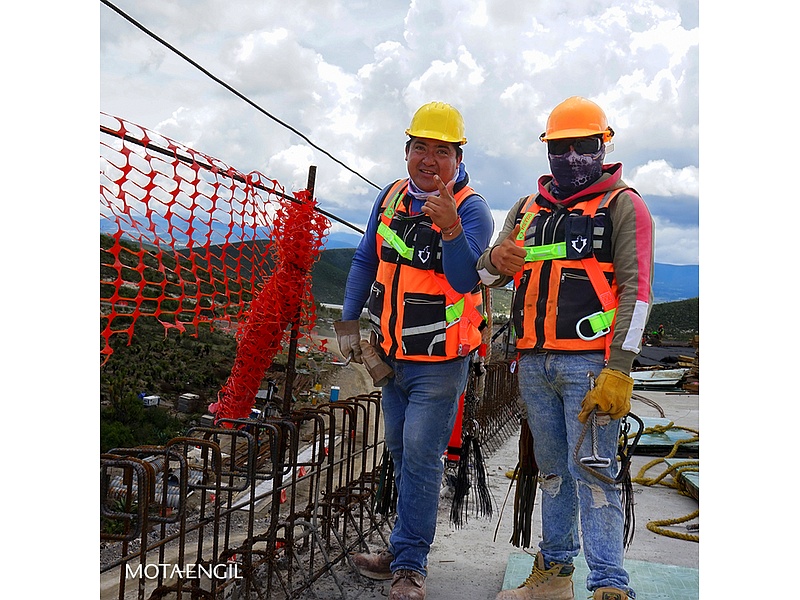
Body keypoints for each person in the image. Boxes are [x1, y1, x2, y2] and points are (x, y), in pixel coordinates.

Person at [477, 96, 654, 600]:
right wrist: (496, 258)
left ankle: (610, 587)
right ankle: (555, 575)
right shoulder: (526, 209)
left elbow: (637, 294)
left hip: (590, 366)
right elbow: (486, 278)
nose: (572, 157)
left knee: (596, 474)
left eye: (584, 146)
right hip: (533, 364)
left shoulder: (624, 206)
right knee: (553, 472)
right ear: (548, 149)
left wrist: (619, 368)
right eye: (561, 147)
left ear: (604, 145)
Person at [334, 101, 494, 600]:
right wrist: (347, 318)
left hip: (441, 362)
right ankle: (403, 549)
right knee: (402, 454)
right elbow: (365, 257)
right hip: (391, 354)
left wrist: (449, 227)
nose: (429, 159)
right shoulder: (390, 198)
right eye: (420, 147)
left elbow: (466, 278)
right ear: (406, 151)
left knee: (422, 458)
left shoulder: (472, 208)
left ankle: (409, 566)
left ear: (458, 156)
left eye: (441, 151)